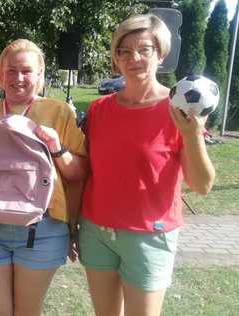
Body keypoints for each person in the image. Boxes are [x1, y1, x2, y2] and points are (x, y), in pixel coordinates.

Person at [78, 14, 215, 316]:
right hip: (96, 231)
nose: (133, 58)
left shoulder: (180, 109)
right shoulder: (99, 109)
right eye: (124, 51)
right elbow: (87, 171)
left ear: (161, 53)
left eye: (144, 49)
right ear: (115, 58)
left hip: (149, 236)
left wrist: (192, 135)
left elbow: (202, 185)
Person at [0, 38, 88, 315]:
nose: (18, 78)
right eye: (11, 71)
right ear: (0, 76)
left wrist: (57, 148)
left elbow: (79, 172)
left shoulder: (59, 112)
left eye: (26, 71)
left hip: (43, 231)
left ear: (39, 75)